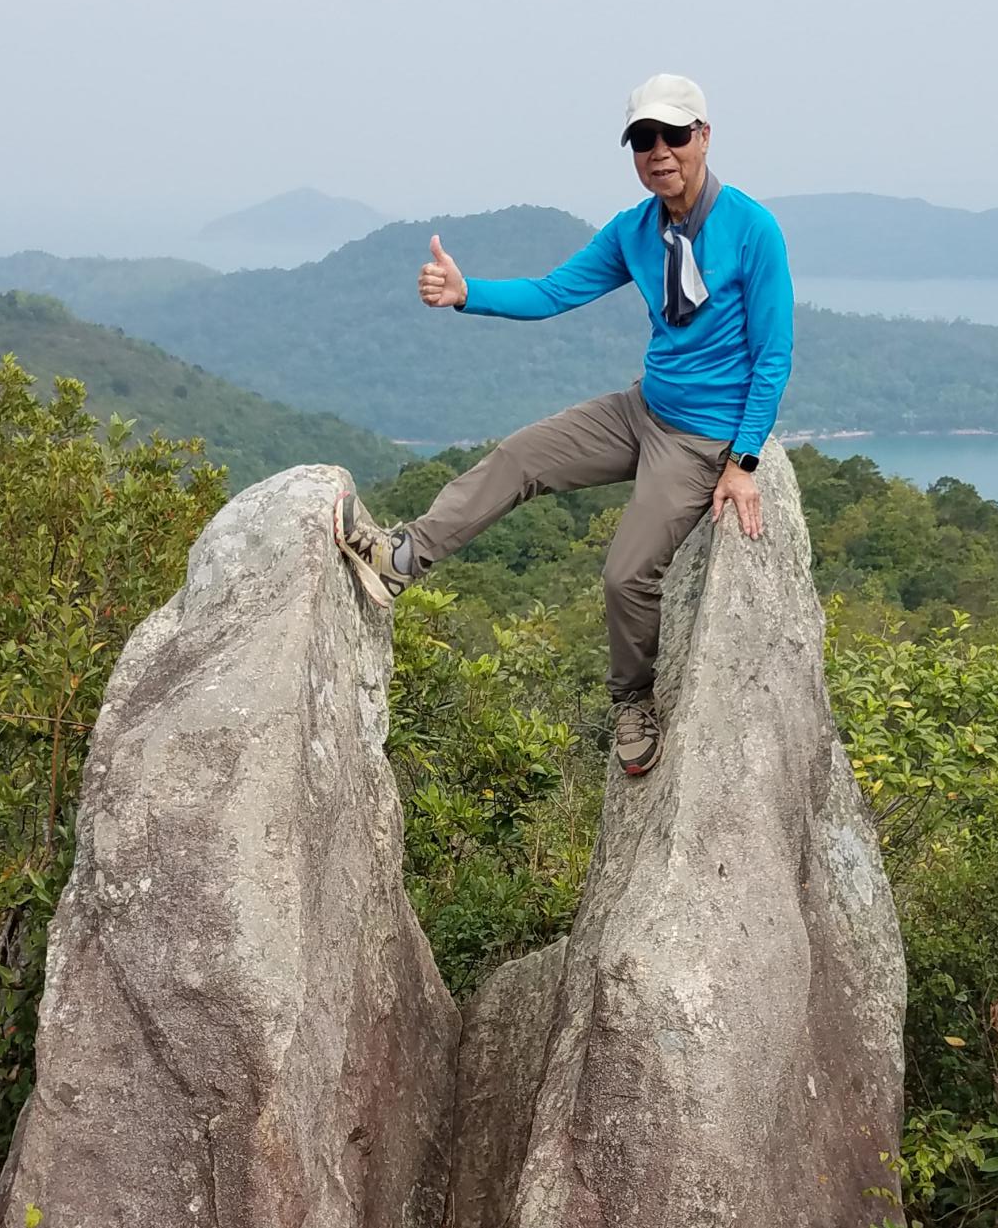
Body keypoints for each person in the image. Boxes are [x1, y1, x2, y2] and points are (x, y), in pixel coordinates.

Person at [335, 73, 794, 777]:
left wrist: (744, 462)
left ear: (704, 137)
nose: (659, 152)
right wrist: (467, 293)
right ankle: (402, 560)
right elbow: (553, 292)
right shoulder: (636, 230)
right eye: (643, 139)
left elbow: (774, 353)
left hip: (702, 439)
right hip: (644, 408)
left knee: (625, 574)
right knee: (521, 457)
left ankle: (633, 701)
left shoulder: (752, 229)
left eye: (674, 135)